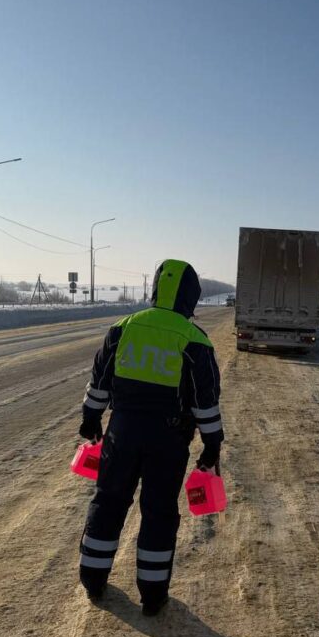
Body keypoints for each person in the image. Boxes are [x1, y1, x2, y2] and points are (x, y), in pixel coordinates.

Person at [77, 259, 223, 615]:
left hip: (121, 434)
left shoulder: (124, 327)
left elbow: (100, 381)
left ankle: (93, 580)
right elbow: (206, 401)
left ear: (156, 289)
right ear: (191, 297)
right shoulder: (194, 341)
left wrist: (90, 418)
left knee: (108, 502)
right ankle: (153, 594)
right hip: (168, 441)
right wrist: (212, 443)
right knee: (158, 512)